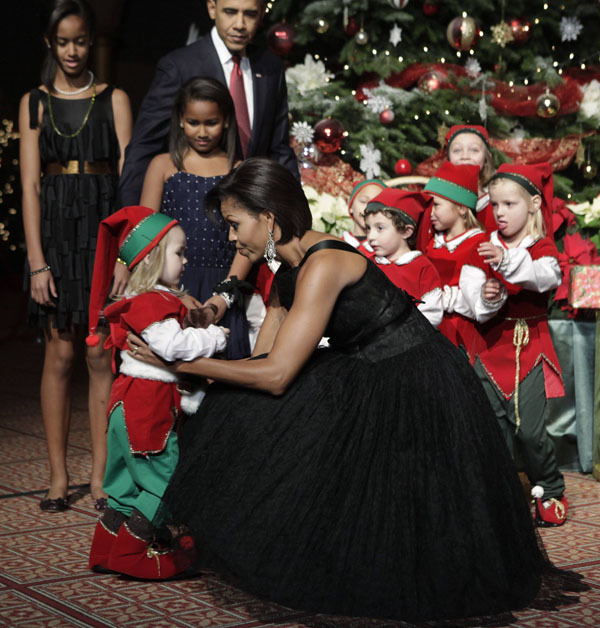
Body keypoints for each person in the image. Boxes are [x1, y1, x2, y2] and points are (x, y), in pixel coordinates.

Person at [126, 158, 564, 622]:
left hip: (413, 376)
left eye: (235, 226)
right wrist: (195, 360)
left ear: (269, 220)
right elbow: (263, 362)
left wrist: (179, 361)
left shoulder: (326, 263)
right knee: (238, 406)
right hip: (363, 366)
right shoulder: (286, 269)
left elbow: (275, 374)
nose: (232, 239)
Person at [18, 0, 132, 512]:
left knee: (99, 354)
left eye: (80, 41)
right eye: (62, 42)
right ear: (50, 43)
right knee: (60, 354)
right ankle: (59, 477)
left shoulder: (115, 98)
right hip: (57, 237)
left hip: (104, 234)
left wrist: (129, 256)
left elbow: (129, 184)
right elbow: (28, 187)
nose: (71, 50)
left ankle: (102, 476)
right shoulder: (33, 104)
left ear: (91, 42)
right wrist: (37, 262)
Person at [86, 206, 228, 578]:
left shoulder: (143, 296)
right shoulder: (152, 300)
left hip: (126, 400)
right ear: (150, 256)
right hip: (147, 406)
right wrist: (213, 336)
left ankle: (106, 549)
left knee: (124, 483)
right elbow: (171, 346)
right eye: (179, 253)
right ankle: (133, 555)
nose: (185, 261)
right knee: (164, 482)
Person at [118, 0, 299, 208]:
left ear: (261, 14)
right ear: (212, 8)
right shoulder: (179, 66)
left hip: (252, 215)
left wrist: (296, 214)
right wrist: (131, 221)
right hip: (194, 210)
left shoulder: (270, 67)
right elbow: (144, 147)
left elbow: (279, 149)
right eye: (230, 12)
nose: (240, 24)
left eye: (249, 14)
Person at [466, 163, 568, 527]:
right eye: (495, 205)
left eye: (509, 204)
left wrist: (507, 263)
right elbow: (473, 300)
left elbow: (544, 277)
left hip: (530, 345)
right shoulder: (485, 244)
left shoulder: (541, 247)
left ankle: (551, 487)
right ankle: (502, 492)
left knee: (528, 428)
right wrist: (488, 296)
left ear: (534, 204)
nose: (500, 213)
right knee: (492, 427)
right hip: (490, 344)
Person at [139, 76, 251, 358]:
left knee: (224, 381)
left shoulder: (239, 170)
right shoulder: (163, 165)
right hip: (172, 283)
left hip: (224, 285)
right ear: (180, 119)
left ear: (225, 120)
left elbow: (248, 244)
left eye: (210, 122)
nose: (202, 132)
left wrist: (224, 297)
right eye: (193, 122)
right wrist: (169, 291)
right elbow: (145, 236)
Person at [423, 161, 487, 356]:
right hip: (430, 331)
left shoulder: (479, 243)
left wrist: (449, 299)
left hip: (462, 335)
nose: (430, 212)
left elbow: (481, 300)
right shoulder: (430, 242)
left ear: (461, 207)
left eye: (437, 205)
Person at [363, 189, 443, 327]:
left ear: (406, 231)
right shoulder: (367, 264)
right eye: (368, 228)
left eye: (380, 228)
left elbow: (431, 314)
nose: (371, 237)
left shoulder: (422, 268)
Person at [417, 124, 496, 251]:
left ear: (487, 158)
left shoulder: (495, 203)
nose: (465, 156)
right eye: (457, 150)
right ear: (448, 159)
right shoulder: (436, 200)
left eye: (474, 150)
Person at [341, 178, 387, 254]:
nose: (368, 208)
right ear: (351, 205)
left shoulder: (389, 250)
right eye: (363, 201)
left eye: (377, 203)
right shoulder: (337, 245)